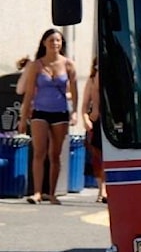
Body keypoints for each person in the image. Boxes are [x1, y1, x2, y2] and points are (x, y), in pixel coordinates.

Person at [17, 29, 79, 205]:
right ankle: (37, 192)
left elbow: (74, 91)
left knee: (55, 154)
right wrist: (23, 118)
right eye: (51, 40)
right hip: (40, 111)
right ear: (44, 43)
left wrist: (74, 112)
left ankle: (51, 193)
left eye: (58, 40)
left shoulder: (68, 65)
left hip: (60, 112)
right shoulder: (37, 65)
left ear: (62, 44)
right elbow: (29, 93)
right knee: (39, 152)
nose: (55, 43)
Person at [81, 56, 106, 204]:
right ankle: (101, 189)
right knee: (98, 157)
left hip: (110, 121)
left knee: (108, 158)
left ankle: (105, 189)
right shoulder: (91, 81)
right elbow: (84, 105)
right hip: (95, 121)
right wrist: (85, 119)